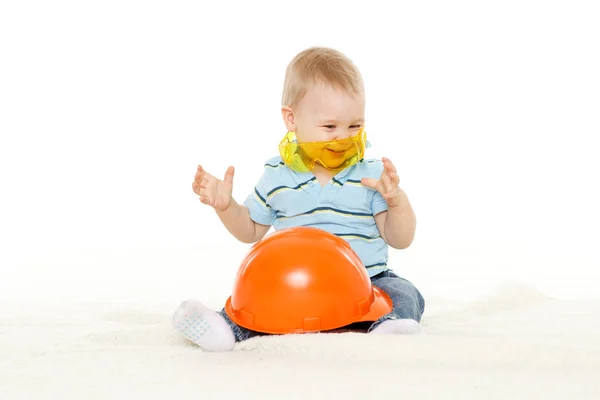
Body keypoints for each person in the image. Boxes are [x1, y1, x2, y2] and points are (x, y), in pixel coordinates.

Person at [172, 47, 425, 352]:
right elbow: (249, 231)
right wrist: (226, 207)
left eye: (354, 126)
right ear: (291, 119)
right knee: (259, 302)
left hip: (365, 286)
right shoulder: (277, 178)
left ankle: (390, 325)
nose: (343, 136)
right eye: (330, 126)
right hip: (296, 290)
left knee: (404, 291)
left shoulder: (371, 176)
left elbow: (400, 239)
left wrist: (396, 201)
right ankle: (225, 329)